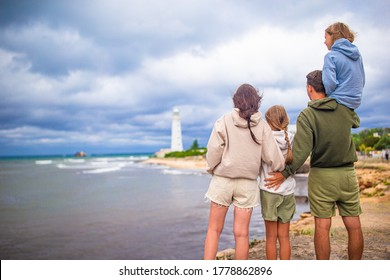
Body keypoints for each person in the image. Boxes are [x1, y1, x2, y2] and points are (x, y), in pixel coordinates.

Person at [265, 70, 364, 260]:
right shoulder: (344, 108)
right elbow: (356, 122)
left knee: (322, 226)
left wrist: (285, 173)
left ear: (309, 88)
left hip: (322, 176)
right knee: (354, 225)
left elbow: (301, 152)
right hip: (348, 174)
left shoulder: (307, 115)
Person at [203, 83, 285, 260]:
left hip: (222, 181)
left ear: (236, 100)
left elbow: (213, 151)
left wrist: (212, 168)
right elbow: (274, 158)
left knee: (214, 230)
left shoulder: (223, 120)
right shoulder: (262, 126)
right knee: (241, 235)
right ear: (257, 102)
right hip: (247, 185)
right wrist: (281, 168)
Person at [259, 105, 296, 260]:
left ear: (268, 121)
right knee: (285, 237)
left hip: (269, 191)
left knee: (271, 238)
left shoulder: (264, 139)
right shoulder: (292, 137)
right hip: (288, 191)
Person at [322, 22, 365, 110]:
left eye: (325, 37)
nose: (324, 42)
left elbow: (329, 84)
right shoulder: (358, 56)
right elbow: (362, 80)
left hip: (338, 101)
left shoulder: (330, 56)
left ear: (333, 36)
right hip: (355, 102)